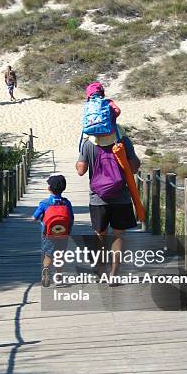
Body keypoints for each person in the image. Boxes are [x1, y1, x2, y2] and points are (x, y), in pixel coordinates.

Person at [76, 96, 139, 285]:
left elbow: (80, 170)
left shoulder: (88, 143)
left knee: (100, 235)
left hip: (97, 198)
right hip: (121, 196)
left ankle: (100, 269)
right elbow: (134, 167)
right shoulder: (122, 140)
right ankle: (114, 274)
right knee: (119, 235)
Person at [33, 174, 74, 287]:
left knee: (48, 254)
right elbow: (71, 218)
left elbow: (34, 217)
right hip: (63, 234)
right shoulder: (66, 203)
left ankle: (46, 269)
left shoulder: (45, 203)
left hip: (48, 234)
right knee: (60, 255)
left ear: (49, 188)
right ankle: (59, 276)